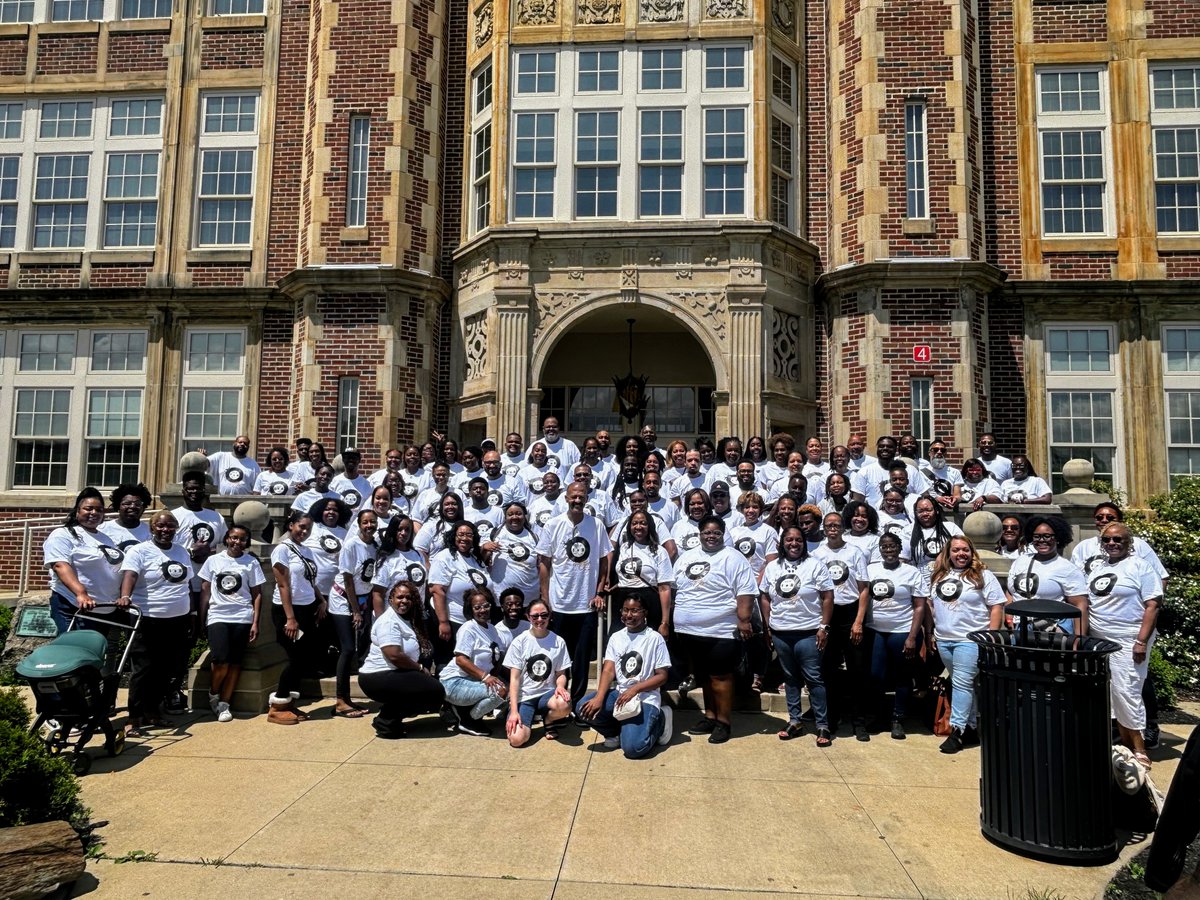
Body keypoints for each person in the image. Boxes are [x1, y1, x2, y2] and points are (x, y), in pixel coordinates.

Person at [671, 514, 757, 745]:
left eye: (716, 533)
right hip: (688, 630)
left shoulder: (734, 558)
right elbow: (673, 587)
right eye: (707, 532)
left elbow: (745, 591)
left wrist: (744, 619)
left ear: (723, 534)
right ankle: (709, 716)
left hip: (720, 630)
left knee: (720, 677)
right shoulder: (686, 557)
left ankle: (723, 722)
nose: (711, 536)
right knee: (704, 677)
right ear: (699, 534)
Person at [1085, 522, 1162, 767]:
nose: (1112, 544)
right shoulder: (1097, 568)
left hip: (1129, 638)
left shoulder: (1141, 567)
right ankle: (1122, 745)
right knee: (1109, 693)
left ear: (1128, 543)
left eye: (1118, 540)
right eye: (1107, 540)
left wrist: (1141, 641)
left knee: (1127, 691)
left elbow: (1153, 605)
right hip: (1099, 639)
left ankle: (1139, 748)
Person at [118, 512, 197, 733]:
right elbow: (130, 576)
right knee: (143, 669)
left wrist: (191, 613)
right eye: (160, 526)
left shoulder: (181, 552)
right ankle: (134, 716)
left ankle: (153, 712)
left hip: (177, 619)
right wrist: (126, 596)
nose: (165, 530)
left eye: (170, 526)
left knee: (165, 669)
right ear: (152, 528)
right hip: (147, 618)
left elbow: (187, 585)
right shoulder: (139, 551)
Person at [925, 536, 1006, 753]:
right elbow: (931, 605)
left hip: (970, 639)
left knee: (961, 682)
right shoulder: (939, 575)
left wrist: (991, 635)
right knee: (965, 685)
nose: (961, 554)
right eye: (956, 550)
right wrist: (933, 631)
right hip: (944, 639)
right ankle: (971, 728)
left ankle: (957, 730)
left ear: (972, 552)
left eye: (965, 550)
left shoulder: (983, 575)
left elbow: (996, 606)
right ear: (948, 553)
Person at [536, 482, 613, 705]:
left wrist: (599, 591)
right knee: (559, 658)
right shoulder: (553, 525)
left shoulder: (596, 525)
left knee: (580, 659)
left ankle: (577, 703)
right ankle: (557, 701)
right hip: (559, 605)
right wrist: (545, 597)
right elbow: (544, 563)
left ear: (587, 498)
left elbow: (603, 560)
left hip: (585, 605)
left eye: (581, 497)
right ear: (566, 498)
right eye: (573, 497)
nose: (577, 500)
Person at [760, 526, 835, 746]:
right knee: (790, 678)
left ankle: (822, 724)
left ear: (804, 542)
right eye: (789, 540)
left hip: (808, 631)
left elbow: (828, 596)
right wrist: (767, 627)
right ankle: (795, 720)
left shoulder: (815, 565)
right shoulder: (772, 567)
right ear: (782, 543)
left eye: (798, 540)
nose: (794, 543)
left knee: (813, 679)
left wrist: (824, 627)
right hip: (781, 631)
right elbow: (764, 597)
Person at [575, 594, 674, 757]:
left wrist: (635, 689)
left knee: (634, 749)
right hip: (620, 694)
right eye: (625, 610)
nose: (629, 615)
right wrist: (599, 698)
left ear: (645, 613)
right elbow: (608, 670)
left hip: (645, 698)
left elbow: (662, 676)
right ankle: (614, 733)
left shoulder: (655, 639)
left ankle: (661, 720)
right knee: (583, 708)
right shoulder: (616, 637)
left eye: (635, 611)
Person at [358, 581, 444, 739]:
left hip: (393, 674)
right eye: (399, 597)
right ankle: (386, 721)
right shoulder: (389, 621)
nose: (404, 601)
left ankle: (389, 718)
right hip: (377, 677)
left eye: (408, 598)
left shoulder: (404, 619)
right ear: (391, 599)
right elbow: (394, 655)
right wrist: (419, 668)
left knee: (431, 690)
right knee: (434, 691)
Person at [813, 512, 871, 740]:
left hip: (850, 613)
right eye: (828, 525)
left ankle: (859, 721)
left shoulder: (854, 552)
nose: (833, 528)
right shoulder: (817, 553)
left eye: (836, 525)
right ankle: (832, 718)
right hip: (828, 615)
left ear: (842, 527)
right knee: (828, 670)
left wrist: (858, 621)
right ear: (824, 529)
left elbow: (864, 588)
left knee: (857, 669)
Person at [198, 524, 265, 722]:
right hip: (218, 615)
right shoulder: (213, 561)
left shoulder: (251, 563)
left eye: (242, 539)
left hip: (242, 617)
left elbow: (257, 594)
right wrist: (201, 618)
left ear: (246, 542)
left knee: (235, 663)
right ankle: (214, 693)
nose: (237, 542)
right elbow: (205, 591)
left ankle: (224, 704)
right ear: (227, 538)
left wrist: (255, 622)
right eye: (234, 537)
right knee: (220, 660)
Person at [864, 532, 928, 739]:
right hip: (875, 630)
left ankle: (898, 718)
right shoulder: (870, 569)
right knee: (876, 675)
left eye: (893, 546)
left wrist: (912, 636)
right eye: (884, 546)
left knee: (902, 676)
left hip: (902, 630)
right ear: (879, 549)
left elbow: (919, 606)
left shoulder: (911, 572)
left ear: (900, 549)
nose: (889, 550)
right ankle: (878, 716)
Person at [268, 510, 327, 725]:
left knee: (307, 658)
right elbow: (283, 584)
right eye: (301, 527)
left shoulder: (306, 551)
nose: (304, 531)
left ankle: (288, 704)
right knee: (297, 658)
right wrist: (290, 618)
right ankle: (277, 706)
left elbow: (310, 580)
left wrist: (321, 600)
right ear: (290, 525)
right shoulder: (282, 550)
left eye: (308, 529)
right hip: (288, 611)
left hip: (307, 608)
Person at [42, 488, 125, 635]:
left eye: (99, 510)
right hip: (76, 606)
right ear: (77, 511)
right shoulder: (63, 534)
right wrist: (81, 593)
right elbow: (60, 565)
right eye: (88, 508)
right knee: (75, 652)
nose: (94, 513)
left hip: (106, 609)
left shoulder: (106, 539)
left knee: (96, 654)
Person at [329, 508, 379, 719]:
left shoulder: (374, 546)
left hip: (362, 600)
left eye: (373, 522)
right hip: (343, 600)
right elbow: (348, 579)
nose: (369, 526)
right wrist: (356, 611)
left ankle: (348, 699)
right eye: (365, 522)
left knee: (358, 645)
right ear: (359, 524)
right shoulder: (351, 545)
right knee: (348, 648)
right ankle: (340, 700)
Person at [438, 586, 508, 735]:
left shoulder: (492, 629)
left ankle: (463, 711)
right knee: (500, 692)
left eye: (486, 605)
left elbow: (497, 658)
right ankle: (468, 720)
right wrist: (486, 677)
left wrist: (494, 676)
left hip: (473, 681)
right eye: (477, 607)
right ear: (471, 609)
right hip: (454, 682)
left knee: (509, 689)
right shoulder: (468, 628)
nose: (482, 610)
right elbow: (460, 660)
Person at [503, 599, 573, 746]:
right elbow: (514, 679)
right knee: (516, 740)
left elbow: (561, 673)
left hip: (547, 694)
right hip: (525, 697)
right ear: (528, 617)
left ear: (550, 616)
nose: (540, 619)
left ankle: (549, 720)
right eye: (535, 616)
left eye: (544, 615)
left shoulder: (558, 641)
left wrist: (560, 686)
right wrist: (514, 711)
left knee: (564, 704)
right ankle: (522, 718)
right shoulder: (520, 641)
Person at [428, 520, 493, 664]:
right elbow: (437, 590)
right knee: (448, 661)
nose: (464, 538)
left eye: (469, 535)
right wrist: (443, 622)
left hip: (473, 621)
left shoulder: (475, 559)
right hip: (452, 620)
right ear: (453, 536)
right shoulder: (445, 557)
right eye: (461, 534)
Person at [1010, 515, 1088, 633]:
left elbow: (1080, 605)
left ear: (1057, 538)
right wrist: (1009, 615)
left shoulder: (1067, 568)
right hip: (1022, 628)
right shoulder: (1020, 561)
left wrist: (1078, 641)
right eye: (1037, 536)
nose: (1042, 540)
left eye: (1047, 536)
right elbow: (1011, 591)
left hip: (1051, 631)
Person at [612, 510, 674, 635]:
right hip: (623, 601)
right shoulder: (624, 548)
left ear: (650, 526)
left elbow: (664, 588)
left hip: (648, 602)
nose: (638, 527)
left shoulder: (659, 551)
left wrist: (665, 622)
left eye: (643, 523)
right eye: (634, 523)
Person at [485, 501, 541, 609]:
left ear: (524, 516)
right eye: (510, 514)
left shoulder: (534, 537)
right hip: (499, 599)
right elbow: (480, 560)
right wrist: (484, 549)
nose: (514, 517)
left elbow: (541, 566)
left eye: (518, 514)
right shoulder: (493, 534)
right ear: (505, 517)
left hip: (529, 600)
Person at [370, 516, 427, 614]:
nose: (403, 533)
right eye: (399, 529)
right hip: (393, 616)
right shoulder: (386, 558)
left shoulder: (418, 555)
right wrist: (381, 623)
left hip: (417, 615)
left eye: (407, 530)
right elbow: (378, 594)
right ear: (392, 531)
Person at [908, 496, 963, 571]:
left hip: (948, 572)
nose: (925, 514)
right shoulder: (907, 531)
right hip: (919, 575)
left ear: (936, 510)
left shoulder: (951, 528)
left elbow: (963, 550)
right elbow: (903, 559)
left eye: (928, 510)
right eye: (920, 511)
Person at [100, 482, 152, 550]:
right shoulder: (102, 530)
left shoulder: (150, 532)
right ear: (118, 506)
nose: (133, 506)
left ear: (144, 507)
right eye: (127, 503)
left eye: (138, 503)